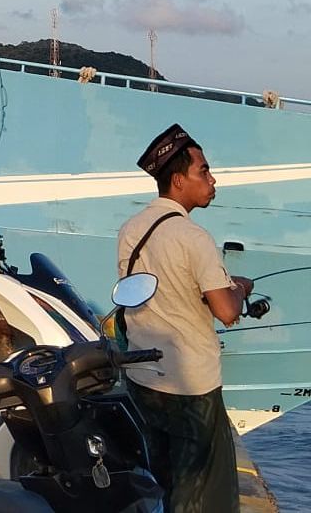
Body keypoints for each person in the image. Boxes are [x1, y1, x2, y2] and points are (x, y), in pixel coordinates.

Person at [118, 123, 253, 513]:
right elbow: (226, 311)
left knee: (157, 482)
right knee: (198, 493)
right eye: (204, 171)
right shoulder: (194, 238)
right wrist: (240, 287)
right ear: (178, 181)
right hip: (191, 387)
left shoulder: (131, 230)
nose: (213, 180)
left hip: (143, 378)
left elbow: (152, 291)